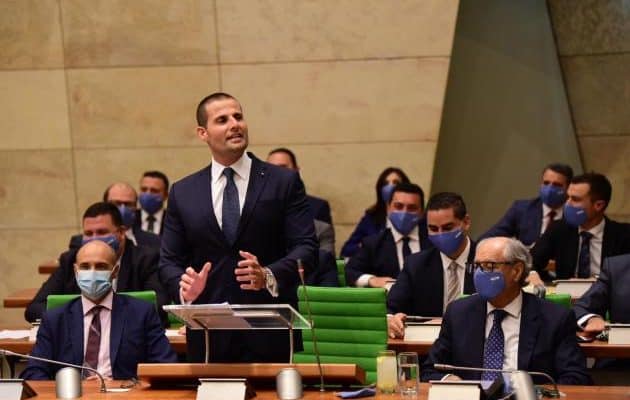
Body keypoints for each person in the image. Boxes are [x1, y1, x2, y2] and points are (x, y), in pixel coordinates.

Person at [159, 92, 317, 362]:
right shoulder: (183, 191)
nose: (235, 124)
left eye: (238, 117)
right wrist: (184, 288)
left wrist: (268, 274)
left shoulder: (283, 182)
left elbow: (307, 248)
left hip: (270, 331)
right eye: (222, 120)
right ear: (203, 133)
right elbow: (168, 262)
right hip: (209, 334)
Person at [421, 237, 591, 385]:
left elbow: (575, 376)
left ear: (516, 271)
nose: (479, 274)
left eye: (489, 266)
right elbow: (430, 369)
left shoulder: (555, 318)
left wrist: (538, 393)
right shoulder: (458, 313)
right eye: (477, 266)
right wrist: (450, 379)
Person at [21, 240, 176, 380]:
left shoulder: (142, 313)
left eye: (101, 266)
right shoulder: (54, 318)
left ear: (115, 271)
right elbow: (34, 372)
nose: (92, 273)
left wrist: (123, 387)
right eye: (85, 267)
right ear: (75, 271)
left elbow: (165, 365)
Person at [26, 202, 169, 325]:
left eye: (102, 232)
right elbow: (34, 309)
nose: (94, 239)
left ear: (121, 233)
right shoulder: (70, 261)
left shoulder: (145, 260)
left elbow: (159, 306)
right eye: (89, 233)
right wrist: (83, 317)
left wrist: (106, 316)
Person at [387, 192, 476, 338]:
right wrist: (391, 319)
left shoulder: (488, 262)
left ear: (466, 222)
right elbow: (390, 308)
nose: (440, 234)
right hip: (428, 345)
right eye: (433, 229)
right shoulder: (416, 265)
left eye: (447, 228)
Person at [530, 172, 630, 283]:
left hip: (607, 292)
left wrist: (599, 280)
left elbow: (625, 275)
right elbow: (531, 261)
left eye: (575, 199)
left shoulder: (624, 235)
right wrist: (532, 274)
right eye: (568, 197)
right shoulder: (559, 229)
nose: (567, 204)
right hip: (566, 293)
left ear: (598, 205)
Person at [345, 183, 429, 289]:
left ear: (422, 212)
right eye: (398, 206)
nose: (404, 212)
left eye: (412, 208)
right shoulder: (374, 243)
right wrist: (372, 280)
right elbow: (350, 272)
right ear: (388, 209)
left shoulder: (433, 241)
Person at [479, 163, 573, 246]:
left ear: (569, 188)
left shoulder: (574, 214)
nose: (550, 189)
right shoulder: (522, 209)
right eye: (546, 183)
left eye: (557, 185)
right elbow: (488, 238)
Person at [267, 147, 335, 256]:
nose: (277, 173)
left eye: (283, 167)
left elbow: (325, 252)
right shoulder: (255, 206)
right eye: (271, 168)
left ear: (296, 170)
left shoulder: (318, 207)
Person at [340, 167, 410, 258]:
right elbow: (346, 251)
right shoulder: (371, 217)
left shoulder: (413, 217)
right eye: (386, 183)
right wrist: (367, 247)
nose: (390, 187)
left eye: (395, 182)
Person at [68, 182, 160, 250]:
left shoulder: (154, 241)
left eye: (128, 204)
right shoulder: (79, 242)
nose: (122, 209)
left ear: (136, 207)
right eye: (116, 203)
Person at [137, 170, 169, 235]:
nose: (148, 194)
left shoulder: (173, 221)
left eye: (154, 191)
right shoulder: (131, 218)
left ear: (165, 195)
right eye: (144, 189)